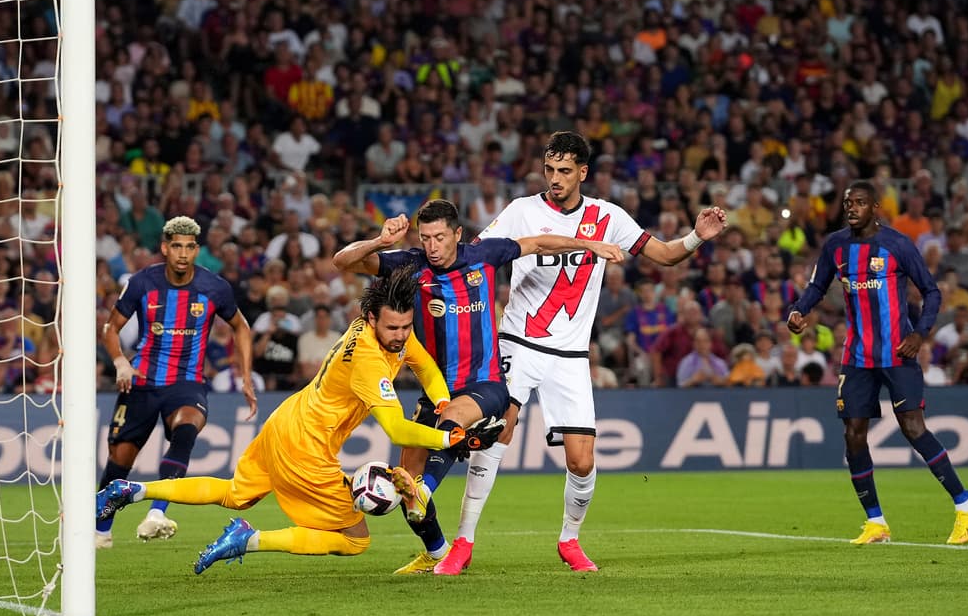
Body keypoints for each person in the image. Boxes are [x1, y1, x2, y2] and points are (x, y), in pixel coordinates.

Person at [94, 265, 502, 573]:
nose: (399, 334)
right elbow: (395, 429)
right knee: (355, 540)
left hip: (287, 418)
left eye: (405, 327)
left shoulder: (383, 327)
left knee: (235, 492)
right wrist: (451, 440)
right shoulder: (367, 362)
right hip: (306, 445)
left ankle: (132, 491)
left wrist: (445, 405)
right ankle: (249, 539)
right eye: (393, 328)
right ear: (372, 319)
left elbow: (426, 366)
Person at [446, 131, 728, 574]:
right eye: (548, 170)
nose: (554, 179)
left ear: (583, 172)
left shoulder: (608, 216)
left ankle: (569, 540)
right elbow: (478, 256)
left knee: (582, 459)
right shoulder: (522, 212)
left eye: (563, 171)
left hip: (571, 355)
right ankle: (463, 541)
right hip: (517, 341)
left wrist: (697, 236)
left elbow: (666, 255)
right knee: (500, 429)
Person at [332, 198, 626, 573]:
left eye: (439, 237)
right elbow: (342, 261)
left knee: (445, 432)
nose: (432, 247)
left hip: (485, 385)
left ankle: (430, 484)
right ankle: (436, 551)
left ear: (458, 234)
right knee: (407, 487)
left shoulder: (484, 256)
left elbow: (538, 243)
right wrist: (379, 241)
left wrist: (589, 245)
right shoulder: (411, 265)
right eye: (425, 238)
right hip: (435, 390)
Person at [786, 181, 968, 545]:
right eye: (848, 203)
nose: (852, 208)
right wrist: (799, 310)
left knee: (913, 428)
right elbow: (817, 286)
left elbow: (932, 291)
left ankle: (965, 505)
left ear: (875, 207)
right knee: (853, 434)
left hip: (897, 352)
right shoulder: (836, 245)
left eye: (860, 202)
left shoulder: (896, 245)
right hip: (858, 355)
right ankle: (876, 523)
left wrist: (920, 333)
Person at [96, 215, 259, 549]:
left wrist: (246, 378)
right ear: (165, 248)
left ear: (196, 250)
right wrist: (120, 363)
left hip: (187, 381)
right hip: (141, 380)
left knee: (186, 429)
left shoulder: (215, 287)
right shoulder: (143, 282)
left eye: (189, 247)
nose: (183, 254)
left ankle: (157, 512)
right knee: (120, 460)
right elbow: (110, 328)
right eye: (176, 247)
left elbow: (242, 326)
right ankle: (100, 532)